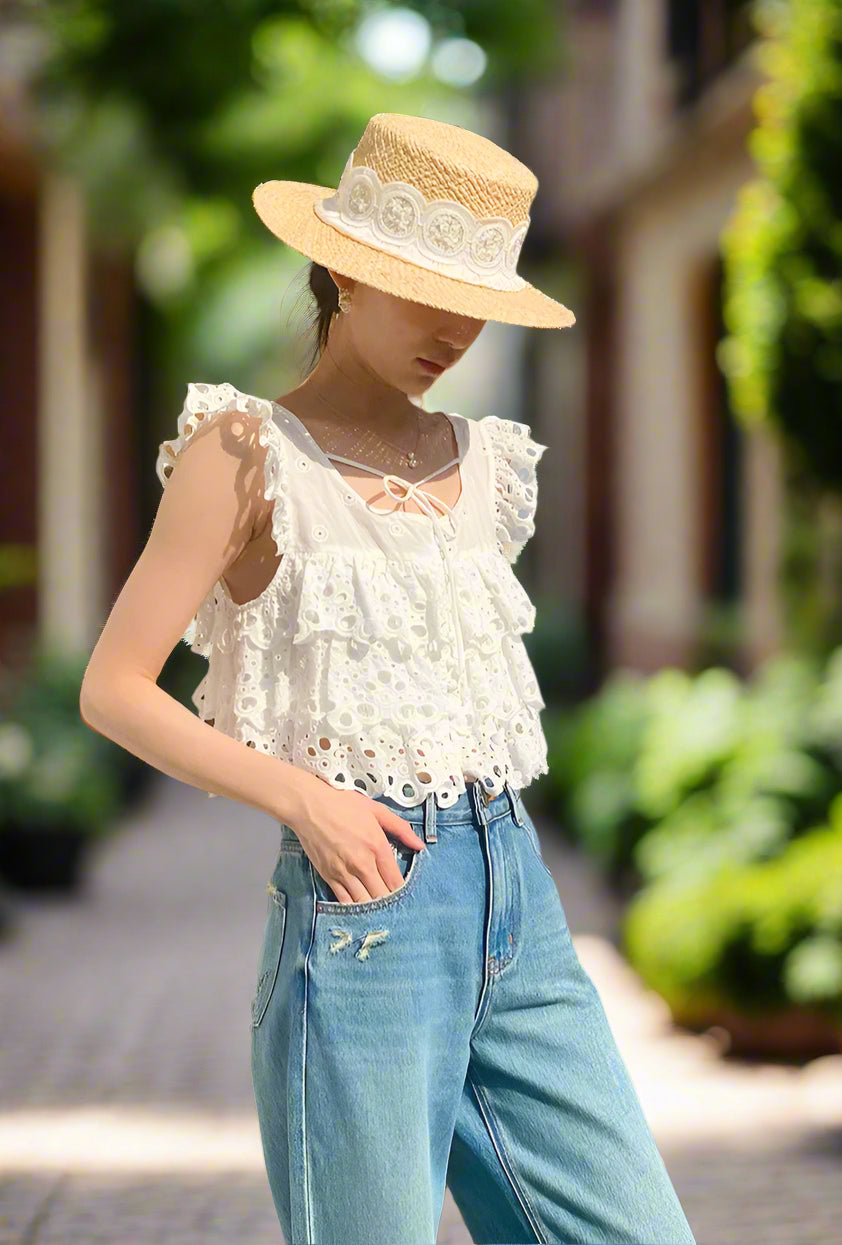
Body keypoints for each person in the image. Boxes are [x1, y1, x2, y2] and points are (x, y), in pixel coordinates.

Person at [80, 113, 696, 1245]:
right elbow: (114, 687)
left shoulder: (488, 463)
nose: (452, 331)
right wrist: (303, 798)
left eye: (475, 303)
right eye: (422, 293)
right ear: (340, 274)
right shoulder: (242, 449)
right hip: (365, 916)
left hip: (518, 896)